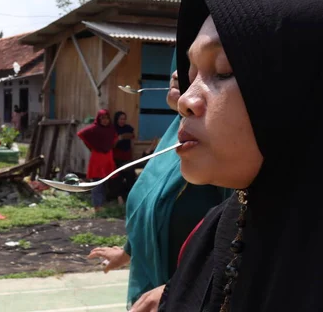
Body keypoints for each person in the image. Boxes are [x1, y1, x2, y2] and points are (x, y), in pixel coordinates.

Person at [158, 0, 323, 312]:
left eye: (224, 70)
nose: (185, 99)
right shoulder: (216, 237)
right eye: (191, 72)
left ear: (312, 93)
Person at [88, 71, 231, 311]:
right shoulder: (173, 137)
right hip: (150, 294)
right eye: (186, 62)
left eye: (210, 66)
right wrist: (127, 253)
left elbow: (242, 239)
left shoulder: (224, 149)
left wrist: (179, 288)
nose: (176, 73)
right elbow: (151, 208)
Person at [77, 109, 117, 212]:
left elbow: (114, 139)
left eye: (106, 118)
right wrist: (91, 146)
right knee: (97, 182)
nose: (105, 120)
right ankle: (97, 206)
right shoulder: (94, 129)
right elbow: (81, 134)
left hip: (108, 157)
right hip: (97, 158)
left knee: (105, 182)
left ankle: (102, 204)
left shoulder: (111, 129)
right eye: (102, 118)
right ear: (98, 119)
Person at [111, 111, 137, 205]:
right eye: (120, 119)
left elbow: (132, 142)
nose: (122, 121)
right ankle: (119, 198)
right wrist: (119, 138)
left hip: (127, 156)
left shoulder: (128, 128)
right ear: (116, 119)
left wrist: (133, 155)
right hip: (116, 156)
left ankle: (131, 198)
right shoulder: (112, 129)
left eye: (124, 119)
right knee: (118, 178)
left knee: (130, 176)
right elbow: (111, 145)